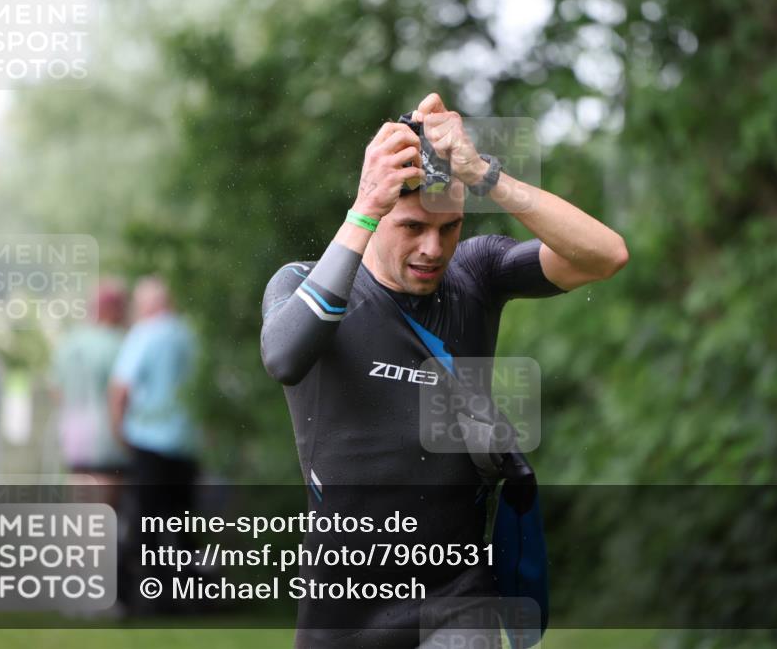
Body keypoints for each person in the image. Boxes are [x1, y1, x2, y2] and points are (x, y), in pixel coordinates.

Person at [260, 93, 628, 648]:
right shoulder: (303, 282)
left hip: (458, 599)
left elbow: (605, 255)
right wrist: (362, 209)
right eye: (412, 227)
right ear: (378, 213)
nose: (433, 249)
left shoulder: (475, 274)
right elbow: (285, 359)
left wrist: (485, 175)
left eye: (449, 228)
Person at [110, 276, 200, 611]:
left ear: (146, 304)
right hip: (187, 443)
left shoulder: (144, 334)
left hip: (149, 441)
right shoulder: (190, 335)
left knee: (145, 524)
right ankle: (187, 600)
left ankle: (144, 599)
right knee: (183, 524)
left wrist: (120, 432)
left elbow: (120, 389)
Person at [50, 279, 131, 486]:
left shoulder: (69, 342)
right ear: (112, 309)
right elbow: (122, 394)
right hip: (108, 442)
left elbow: (56, 391)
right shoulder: (118, 343)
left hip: (73, 439)